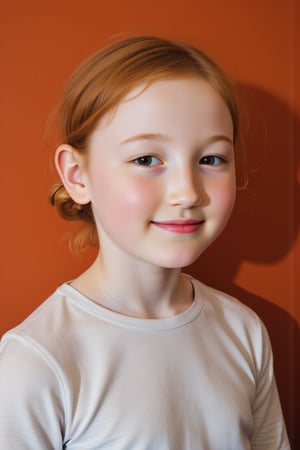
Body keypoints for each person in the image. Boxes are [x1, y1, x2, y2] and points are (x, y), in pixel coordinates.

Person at [0, 35, 290, 449]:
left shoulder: (243, 330)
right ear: (78, 175)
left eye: (210, 159)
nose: (187, 192)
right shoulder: (36, 360)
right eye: (146, 159)